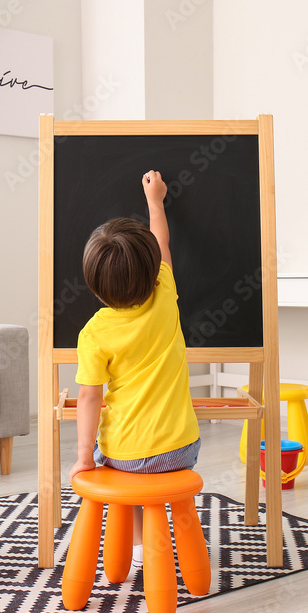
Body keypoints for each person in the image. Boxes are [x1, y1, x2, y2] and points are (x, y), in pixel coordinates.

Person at [68, 170, 201, 567]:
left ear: (94, 288)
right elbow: (162, 243)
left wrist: (83, 457)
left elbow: (90, 398)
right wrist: (155, 201)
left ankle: (142, 548)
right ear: (153, 270)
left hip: (127, 455)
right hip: (182, 448)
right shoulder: (166, 293)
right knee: (151, 469)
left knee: (108, 450)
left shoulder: (94, 333)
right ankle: (160, 546)